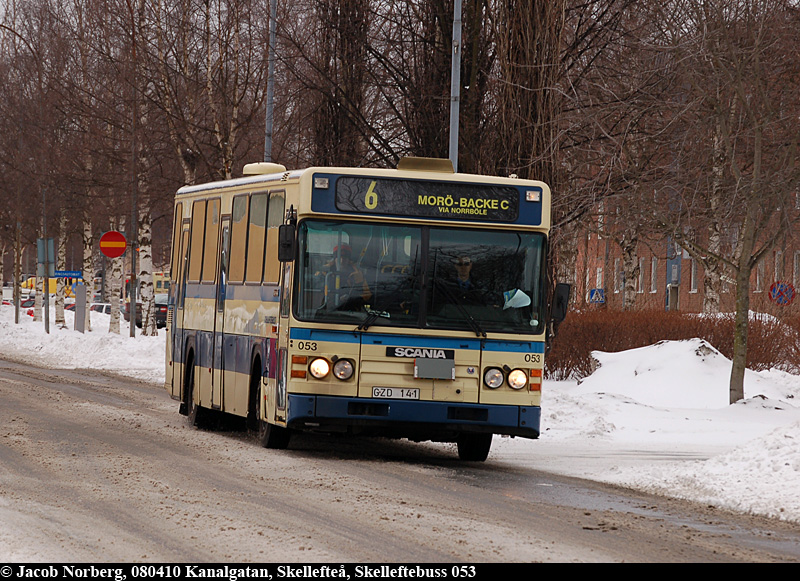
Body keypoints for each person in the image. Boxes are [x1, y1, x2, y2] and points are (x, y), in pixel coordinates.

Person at [319, 244, 371, 310]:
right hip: (326, 310)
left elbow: (366, 295)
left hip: (351, 311)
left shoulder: (358, 274)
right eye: (339, 257)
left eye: (345, 257)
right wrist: (336, 298)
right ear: (334, 258)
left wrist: (351, 298)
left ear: (349, 259)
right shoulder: (323, 273)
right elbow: (317, 293)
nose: (341, 261)